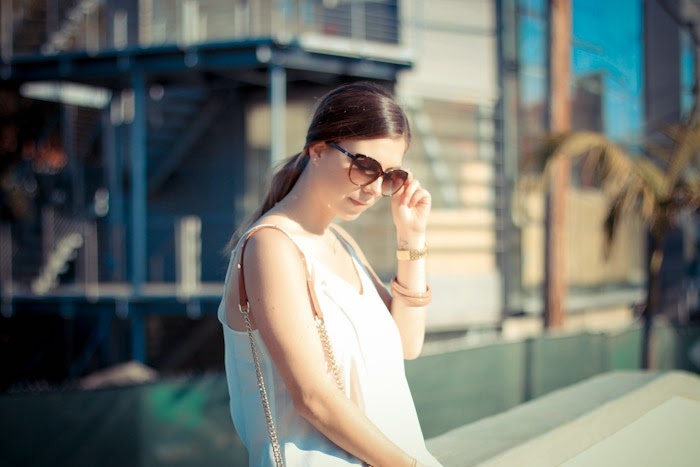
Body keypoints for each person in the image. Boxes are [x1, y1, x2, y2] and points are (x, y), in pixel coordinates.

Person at [218, 81, 442, 466]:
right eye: (365, 166)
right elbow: (313, 398)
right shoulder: (271, 246)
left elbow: (407, 343)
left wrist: (411, 237)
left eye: (390, 177)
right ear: (318, 149)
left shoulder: (342, 243)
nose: (374, 189)